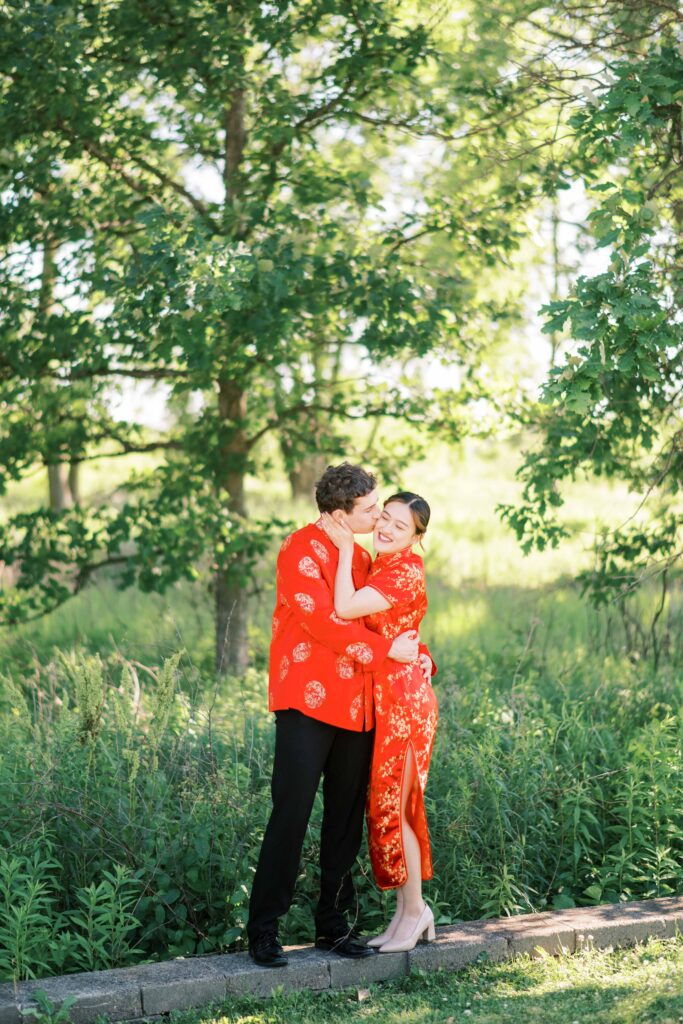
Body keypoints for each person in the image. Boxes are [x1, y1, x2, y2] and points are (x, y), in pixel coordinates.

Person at [246, 464, 434, 968]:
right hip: (307, 702)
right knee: (291, 813)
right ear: (337, 513)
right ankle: (264, 930)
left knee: (345, 817)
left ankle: (333, 926)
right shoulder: (300, 548)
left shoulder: (369, 556)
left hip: (360, 703)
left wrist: (417, 655)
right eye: (371, 509)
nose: (379, 517)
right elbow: (322, 621)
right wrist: (387, 653)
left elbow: (389, 617)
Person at [321, 491, 438, 953]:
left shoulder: (405, 568)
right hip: (386, 699)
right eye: (384, 518)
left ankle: (415, 912)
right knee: (390, 808)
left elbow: (346, 610)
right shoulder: (383, 564)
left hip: (406, 704)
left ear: (417, 537)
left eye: (400, 527)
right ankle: (405, 914)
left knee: (406, 810)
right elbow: (399, 630)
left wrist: (348, 544)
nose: (386, 529)